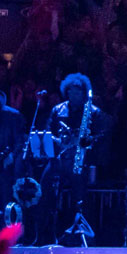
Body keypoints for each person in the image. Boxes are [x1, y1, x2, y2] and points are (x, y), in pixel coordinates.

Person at [49, 73, 107, 244]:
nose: (74, 95)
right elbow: (48, 132)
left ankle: (81, 234)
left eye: (78, 92)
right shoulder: (57, 110)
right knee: (45, 185)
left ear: (83, 93)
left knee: (80, 195)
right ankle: (48, 231)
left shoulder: (93, 112)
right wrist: (60, 142)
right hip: (60, 157)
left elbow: (102, 134)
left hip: (81, 160)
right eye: (71, 92)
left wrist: (84, 142)